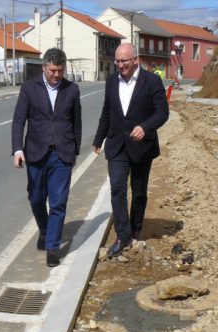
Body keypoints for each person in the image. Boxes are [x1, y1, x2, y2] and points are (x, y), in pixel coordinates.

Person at [93, 43, 169, 258]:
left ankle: (136, 228)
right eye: (117, 61)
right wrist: (99, 138)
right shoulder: (111, 81)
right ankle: (123, 235)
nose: (120, 65)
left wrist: (145, 127)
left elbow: (162, 112)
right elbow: (107, 112)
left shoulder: (152, 81)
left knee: (138, 192)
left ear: (136, 60)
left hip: (142, 147)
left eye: (124, 61)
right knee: (117, 188)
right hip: (117, 145)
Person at [12, 48, 82, 267]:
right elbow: (18, 120)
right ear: (44, 67)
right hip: (35, 153)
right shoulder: (29, 88)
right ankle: (44, 228)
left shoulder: (72, 90)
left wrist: (75, 151)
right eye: (52, 70)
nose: (56, 75)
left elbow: (76, 123)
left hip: (62, 154)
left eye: (60, 70)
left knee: (58, 203)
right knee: (35, 198)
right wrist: (17, 149)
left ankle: (52, 248)